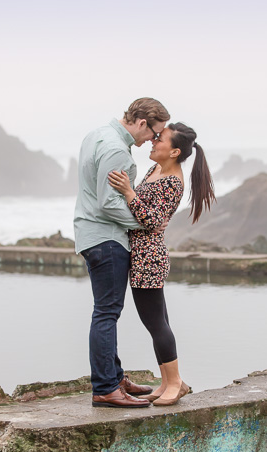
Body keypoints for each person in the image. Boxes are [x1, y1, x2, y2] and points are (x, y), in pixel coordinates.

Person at [107, 122, 215, 406]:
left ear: (175, 151)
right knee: (158, 321)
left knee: (156, 323)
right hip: (143, 252)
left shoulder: (172, 181)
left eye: (161, 140)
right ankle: (168, 381)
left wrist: (129, 193)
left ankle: (176, 382)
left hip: (149, 257)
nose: (154, 142)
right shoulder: (156, 170)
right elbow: (150, 216)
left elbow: (154, 221)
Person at [74, 98, 170, 408]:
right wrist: (145, 223)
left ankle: (114, 378)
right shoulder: (117, 149)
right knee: (107, 312)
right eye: (154, 133)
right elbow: (109, 203)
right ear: (142, 123)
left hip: (92, 234)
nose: (152, 140)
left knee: (106, 310)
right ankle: (105, 388)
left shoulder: (98, 134)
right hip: (106, 238)